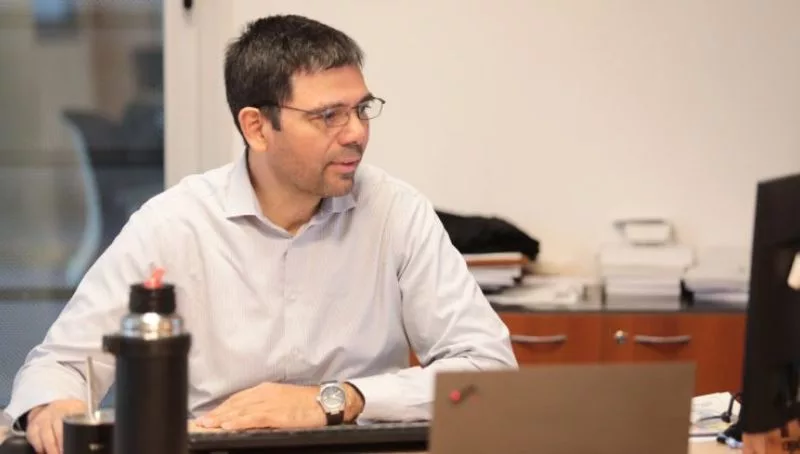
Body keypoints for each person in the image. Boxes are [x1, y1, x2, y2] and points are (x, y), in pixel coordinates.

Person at [4, 14, 517, 454]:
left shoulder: (396, 213)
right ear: (256, 127)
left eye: (362, 109)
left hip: (357, 446)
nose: (357, 132)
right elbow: (61, 364)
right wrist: (55, 406)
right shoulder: (174, 224)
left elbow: (488, 369)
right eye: (329, 116)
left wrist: (337, 400)